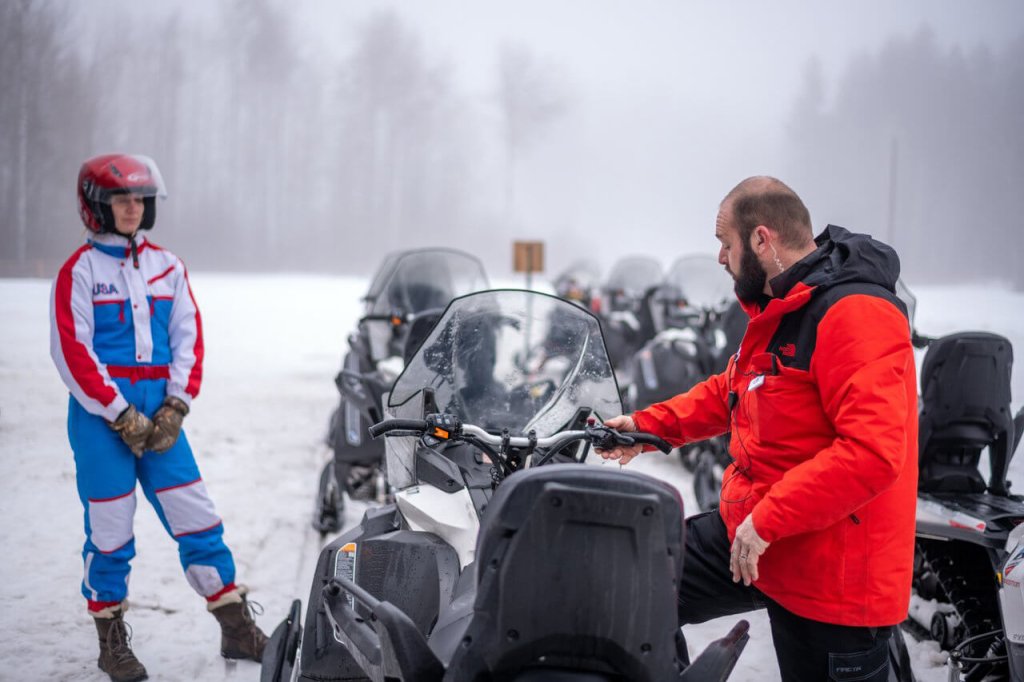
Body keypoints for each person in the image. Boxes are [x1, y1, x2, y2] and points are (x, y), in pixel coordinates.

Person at [599, 176, 917, 680]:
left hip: (831, 575)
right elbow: (731, 389)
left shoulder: (854, 313)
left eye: (726, 244)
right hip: (758, 536)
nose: (721, 258)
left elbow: (872, 453)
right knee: (637, 583)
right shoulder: (786, 306)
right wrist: (643, 427)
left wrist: (767, 520)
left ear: (762, 240)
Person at [50, 154, 267, 682]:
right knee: (110, 531)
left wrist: (176, 405)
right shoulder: (79, 271)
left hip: (162, 415)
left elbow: (187, 339)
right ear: (96, 206)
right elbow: (72, 353)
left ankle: (234, 624)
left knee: (197, 516)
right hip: (103, 420)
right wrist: (120, 413)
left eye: (139, 199)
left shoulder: (168, 266)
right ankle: (111, 640)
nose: (132, 207)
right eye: (121, 199)